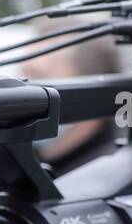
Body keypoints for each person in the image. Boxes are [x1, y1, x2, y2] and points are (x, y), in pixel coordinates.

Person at [20, 21, 124, 176]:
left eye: (37, 76)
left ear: (89, 96)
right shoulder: (21, 167)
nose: (20, 89)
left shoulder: (110, 181)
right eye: (23, 76)